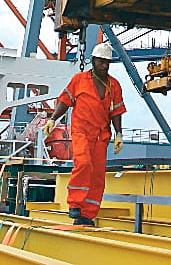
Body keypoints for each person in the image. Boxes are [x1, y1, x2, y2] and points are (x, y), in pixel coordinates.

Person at [45, 42, 126, 226]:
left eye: (108, 62)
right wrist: (52, 119)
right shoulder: (79, 80)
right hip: (82, 132)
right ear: (93, 61)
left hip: (101, 136)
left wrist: (119, 134)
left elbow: (116, 112)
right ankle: (75, 204)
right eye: (101, 61)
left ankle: (87, 215)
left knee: (97, 175)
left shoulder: (114, 86)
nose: (105, 65)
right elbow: (65, 100)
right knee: (83, 163)